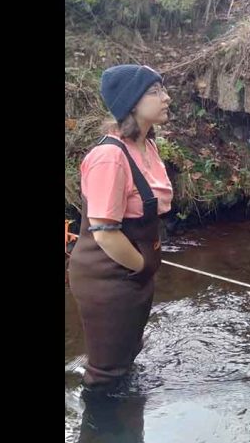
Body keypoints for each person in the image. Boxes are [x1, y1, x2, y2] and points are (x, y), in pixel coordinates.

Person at [68, 64, 174, 391]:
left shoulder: (147, 146)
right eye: (155, 92)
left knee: (126, 358)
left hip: (134, 277)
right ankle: (100, 438)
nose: (166, 97)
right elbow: (104, 232)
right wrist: (141, 266)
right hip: (108, 278)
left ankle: (126, 437)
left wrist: (146, 270)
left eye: (163, 89)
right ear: (131, 103)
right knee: (106, 373)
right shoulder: (109, 157)